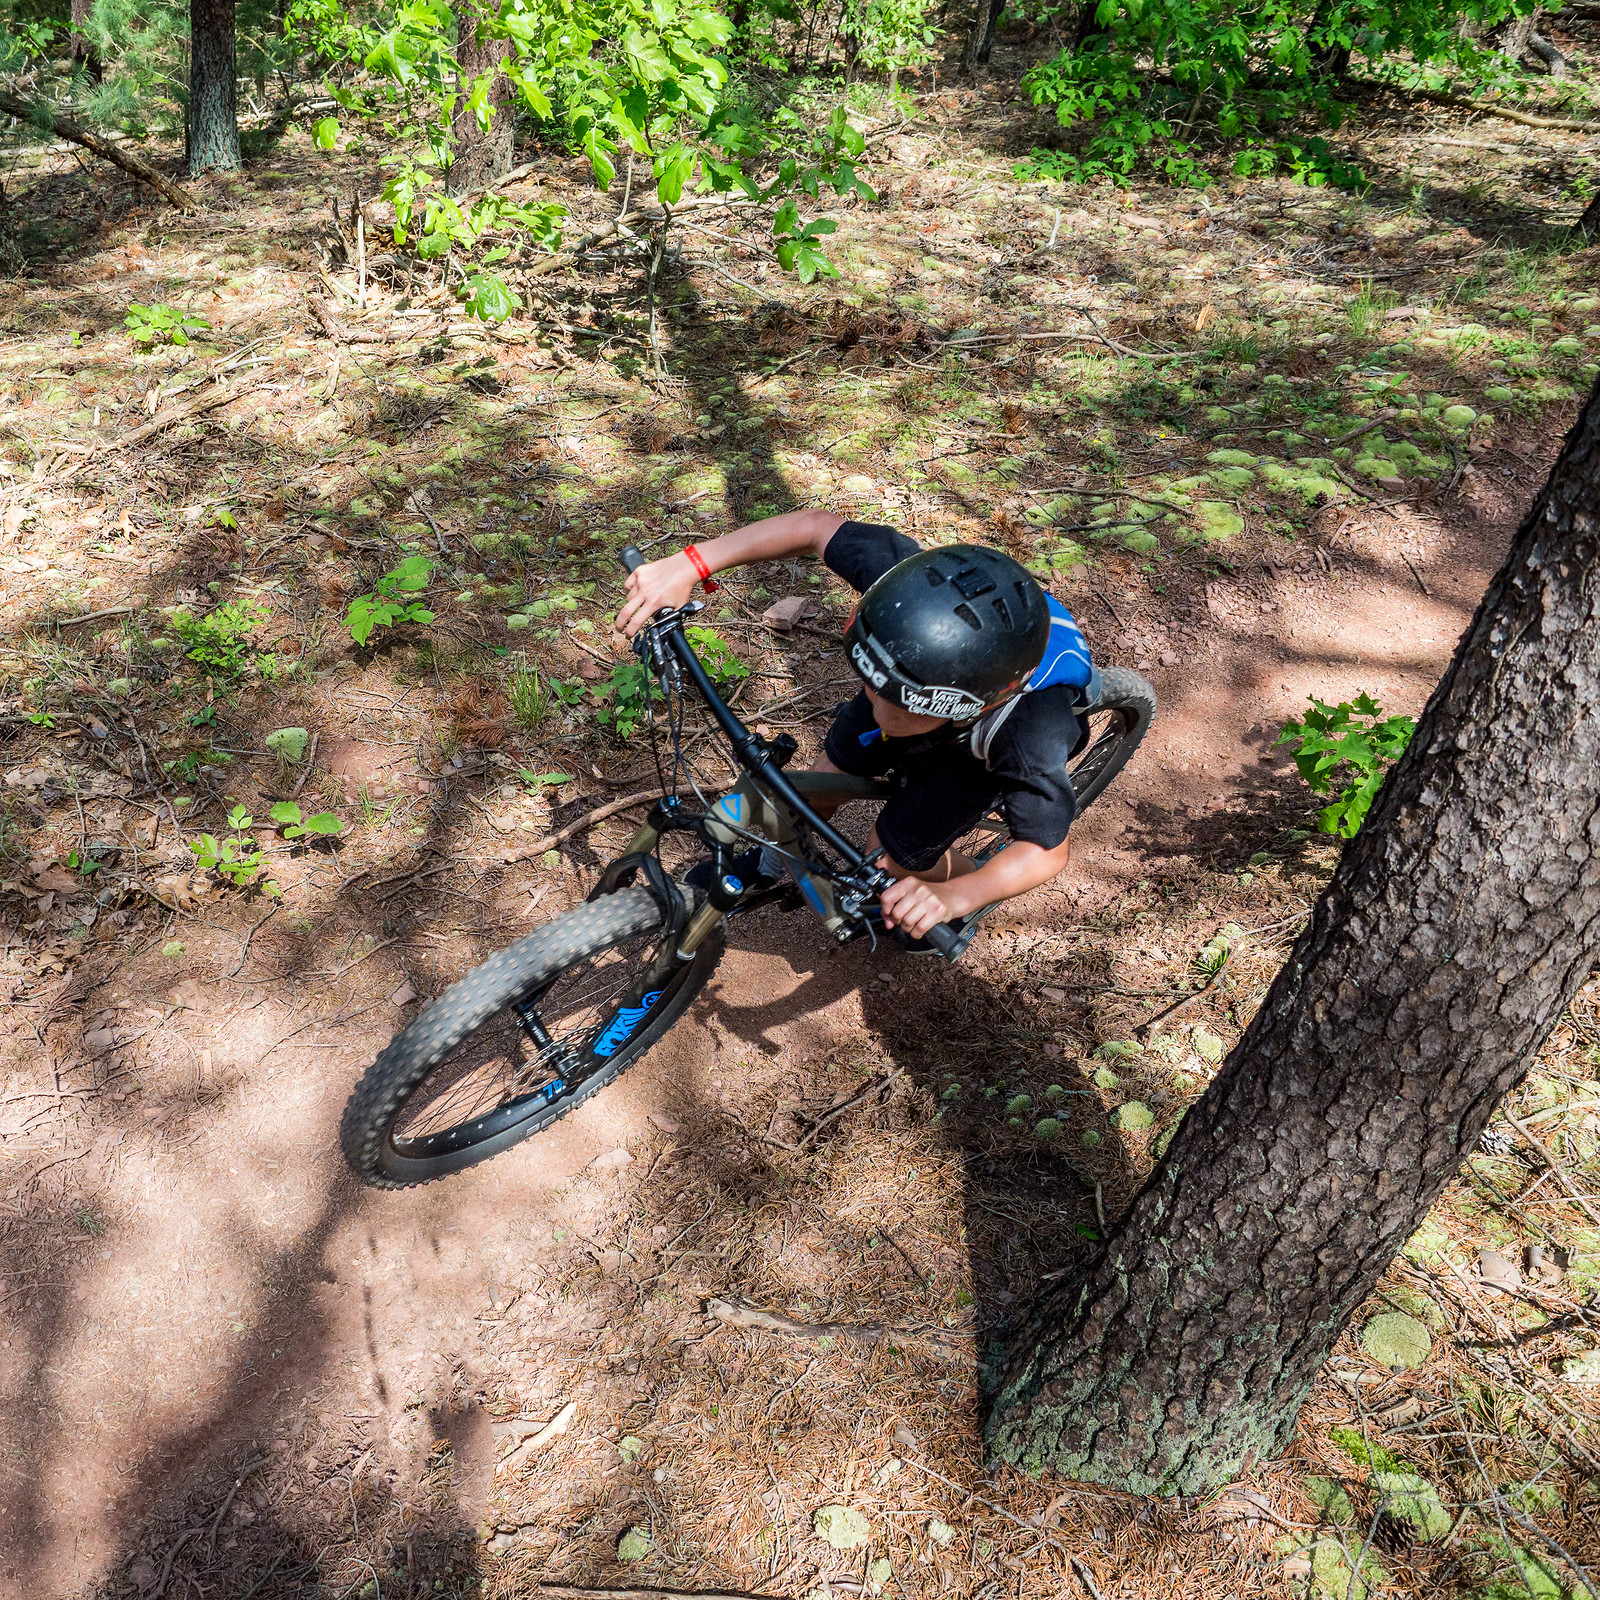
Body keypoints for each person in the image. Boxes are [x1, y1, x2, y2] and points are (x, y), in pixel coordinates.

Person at [614, 510, 1098, 945]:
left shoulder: (1029, 731)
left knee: (887, 862)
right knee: (819, 782)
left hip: (972, 753)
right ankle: (770, 862)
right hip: (935, 683)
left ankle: (953, 877)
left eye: (903, 703)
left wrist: (956, 897)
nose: (878, 705)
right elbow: (814, 528)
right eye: (869, 680)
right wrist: (690, 564)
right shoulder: (905, 592)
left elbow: (1045, 851)